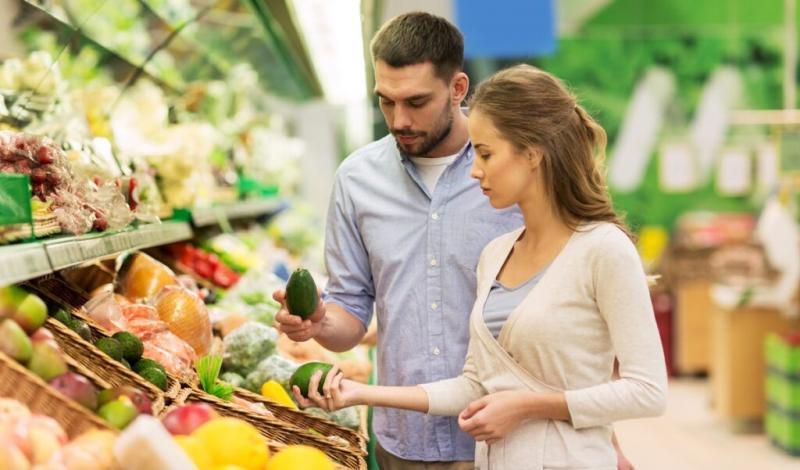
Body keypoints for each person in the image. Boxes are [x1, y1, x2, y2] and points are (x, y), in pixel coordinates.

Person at [273, 12, 635, 469]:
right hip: (405, 439)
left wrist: (604, 434)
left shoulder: (513, 173)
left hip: (514, 441)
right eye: (386, 102)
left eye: (417, 101)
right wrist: (318, 323)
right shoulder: (356, 180)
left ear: (458, 89)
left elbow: (574, 326)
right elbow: (350, 315)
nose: (399, 119)